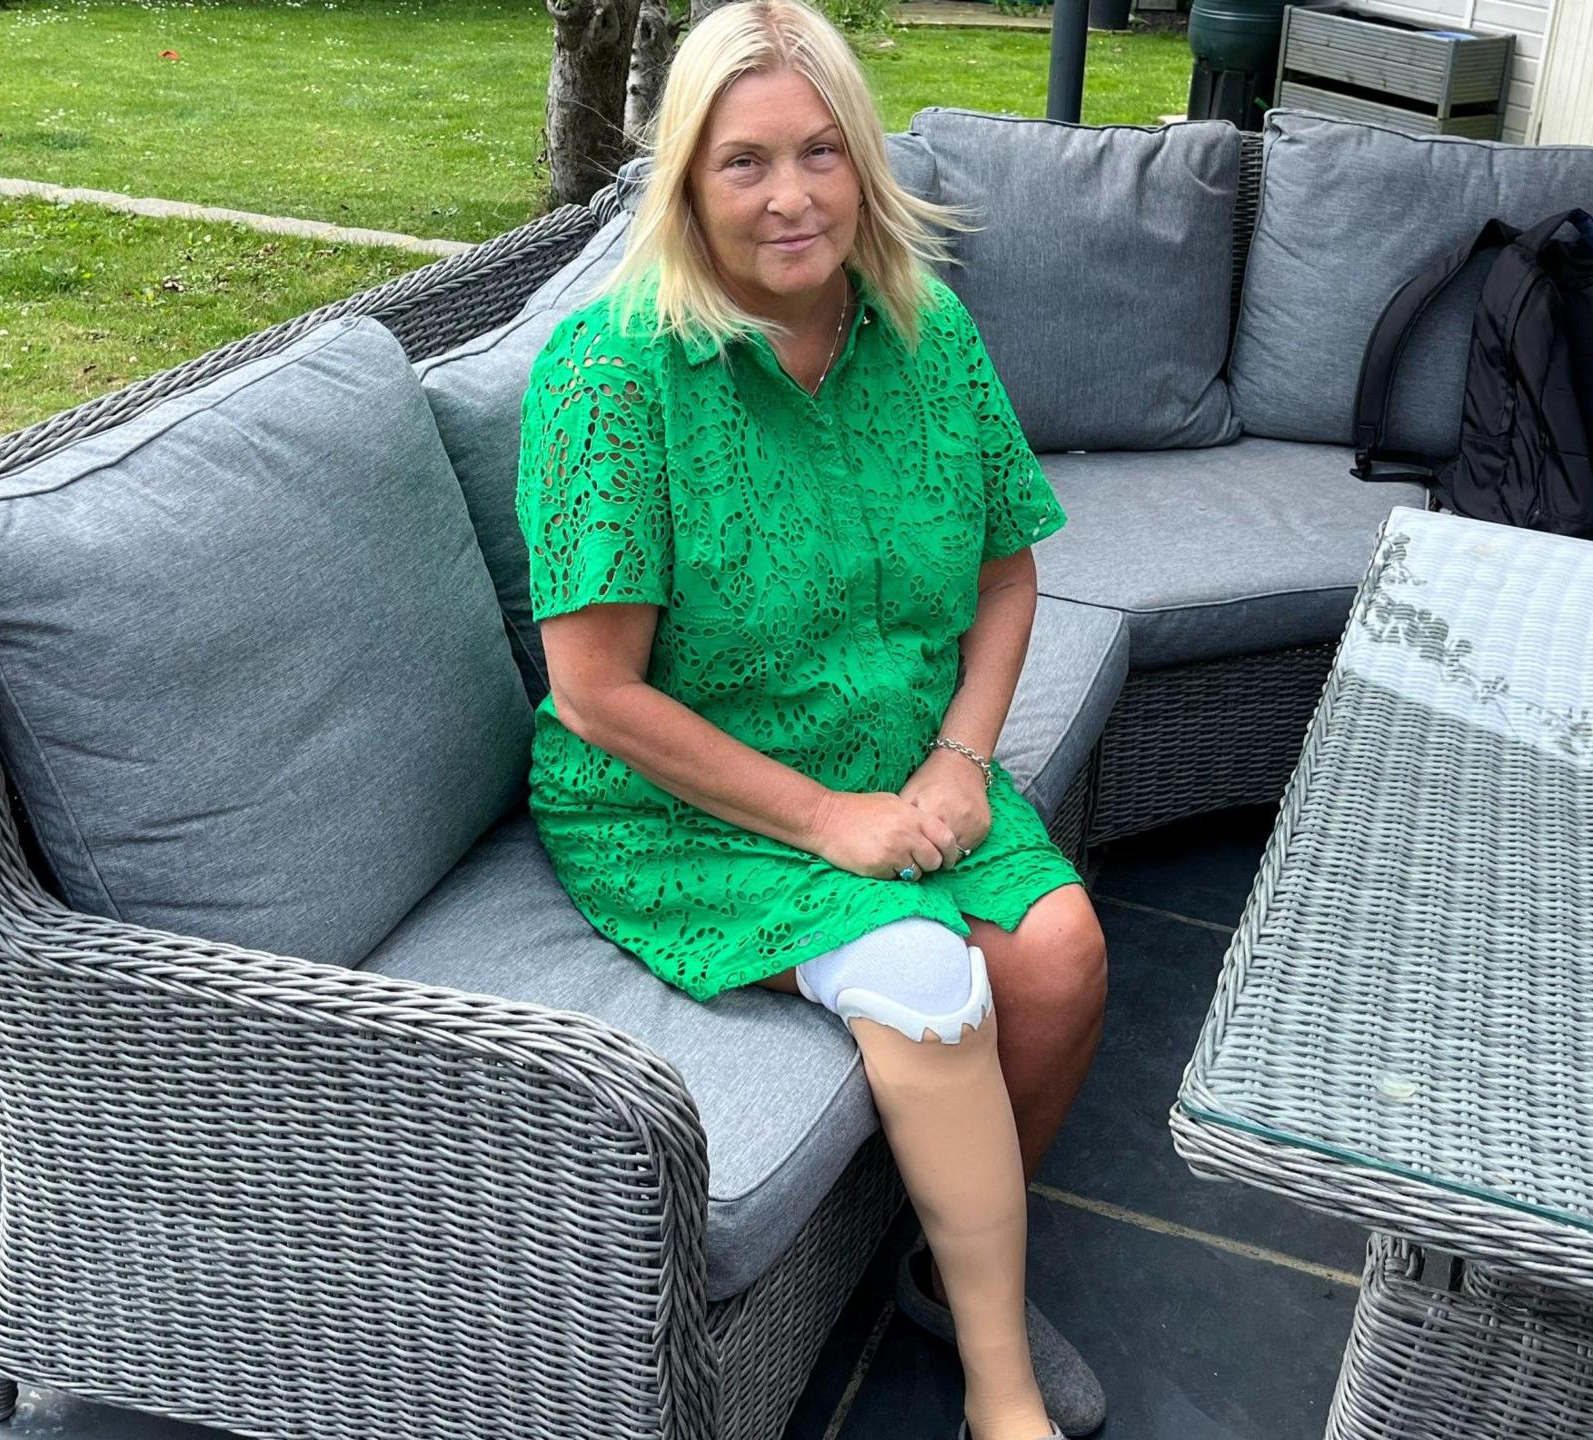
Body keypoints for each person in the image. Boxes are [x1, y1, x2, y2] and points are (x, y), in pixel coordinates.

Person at [515, 4, 1110, 1436]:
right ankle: (997, 1376)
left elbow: (1007, 575)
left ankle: (951, 1246)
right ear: (684, 183)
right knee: (920, 973)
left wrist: (962, 761)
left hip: (902, 754)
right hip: (682, 802)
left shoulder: (926, 330)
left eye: (823, 153)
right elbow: (597, 696)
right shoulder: (609, 378)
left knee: (1065, 959)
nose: (792, 196)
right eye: (744, 163)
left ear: (865, 165)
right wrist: (829, 822)